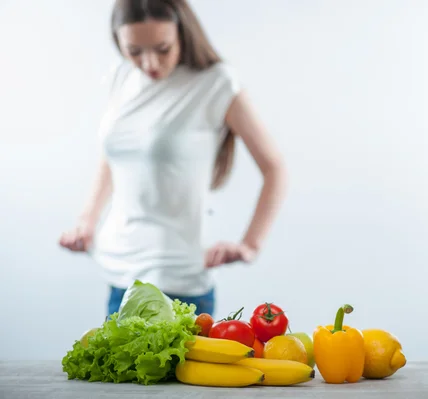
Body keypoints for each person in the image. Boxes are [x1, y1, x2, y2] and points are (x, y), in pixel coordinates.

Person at [58, 0, 287, 318]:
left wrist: (250, 245)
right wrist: (87, 220)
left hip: (180, 280)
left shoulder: (215, 83)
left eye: (162, 48)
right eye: (134, 51)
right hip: (118, 271)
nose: (149, 62)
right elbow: (115, 156)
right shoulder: (120, 78)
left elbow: (274, 168)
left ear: (183, 32)